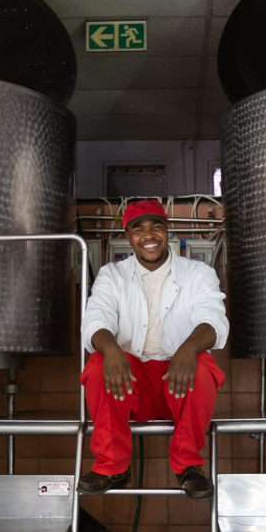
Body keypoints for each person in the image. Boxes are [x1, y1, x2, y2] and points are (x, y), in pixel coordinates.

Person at [78, 199, 228, 500]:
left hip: (178, 381)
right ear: (128, 235)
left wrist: (188, 349)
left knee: (202, 365)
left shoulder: (197, 272)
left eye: (156, 227)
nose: (148, 236)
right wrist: (111, 351)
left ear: (166, 230)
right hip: (131, 384)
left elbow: (213, 319)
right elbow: (95, 320)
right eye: (138, 229)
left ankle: (188, 467)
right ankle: (113, 466)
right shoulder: (112, 275)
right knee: (97, 364)